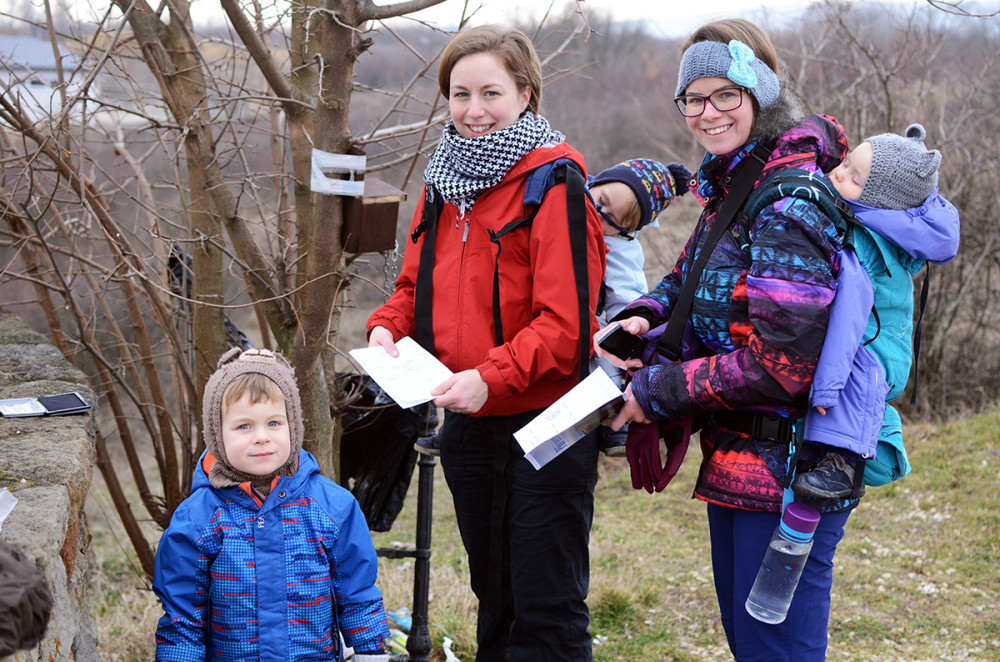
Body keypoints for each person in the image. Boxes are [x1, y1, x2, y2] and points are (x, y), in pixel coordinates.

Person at [600, 18, 857, 661]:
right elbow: (686, 280)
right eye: (694, 98)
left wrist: (657, 391)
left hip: (789, 475)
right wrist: (639, 317)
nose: (706, 113)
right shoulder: (733, 184)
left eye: (725, 95)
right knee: (751, 644)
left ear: (760, 94)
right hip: (739, 459)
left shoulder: (787, 201)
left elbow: (781, 367)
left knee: (776, 651)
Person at [367, 24, 606, 662]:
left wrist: (491, 376)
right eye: (460, 94)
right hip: (468, 422)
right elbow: (415, 285)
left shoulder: (556, 184)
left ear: (526, 93)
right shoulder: (443, 182)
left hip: (547, 420)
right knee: (491, 591)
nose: (474, 111)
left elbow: (567, 327)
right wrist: (387, 324)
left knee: (547, 605)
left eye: (491, 93)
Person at [413, 157, 691, 458]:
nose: (600, 217)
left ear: (628, 232)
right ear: (593, 184)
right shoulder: (558, 200)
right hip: (524, 318)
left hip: (580, 331)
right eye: (601, 202)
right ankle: (457, 424)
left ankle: (611, 420)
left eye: (616, 221)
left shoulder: (621, 252)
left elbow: (627, 300)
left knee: (602, 360)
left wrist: (626, 329)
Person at [153, 347, 391, 662]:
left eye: (274, 423)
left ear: (294, 426)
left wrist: (369, 652)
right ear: (216, 434)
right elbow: (183, 618)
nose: (262, 437)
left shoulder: (332, 507)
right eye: (244, 426)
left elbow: (357, 592)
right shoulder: (198, 519)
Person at [791, 123, 960, 498]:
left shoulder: (863, 247)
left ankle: (843, 464)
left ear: (879, 203)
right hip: (888, 342)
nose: (838, 173)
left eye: (854, 178)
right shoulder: (886, 228)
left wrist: (826, 390)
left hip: (874, 351)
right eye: (846, 163)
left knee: (856, 385)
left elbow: (848, 322)